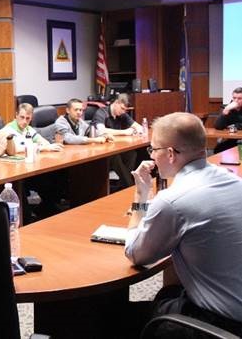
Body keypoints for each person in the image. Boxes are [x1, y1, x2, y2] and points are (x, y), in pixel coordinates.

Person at [126, 112, 242, 335]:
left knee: (142, 310)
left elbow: (135, 253)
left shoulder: (173, 200)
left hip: (223, 323)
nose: (151, 157)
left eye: (153, 150)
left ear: (170, 154)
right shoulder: (233, 180)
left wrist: (139, 197)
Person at [92, 94, 143, 188]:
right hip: (101, 150)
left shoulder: (122, 114)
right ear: (116, 103)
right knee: (115, 157)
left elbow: (139, 127)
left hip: (115, 147)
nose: (123, 111)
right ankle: (130, 186)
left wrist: (136, 130)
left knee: (132, 154)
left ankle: (122, 185)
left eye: (125, 110)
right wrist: (125, 132)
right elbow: (101, 130)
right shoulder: (102, 112)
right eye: (122, 108)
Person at [213, 87, 242, 154]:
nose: (236, 100)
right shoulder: (226, 108)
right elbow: (218, 126)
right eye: (234, 98)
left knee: (240, 152)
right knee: (218, 149)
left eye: (239, 98)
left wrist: (236, 126)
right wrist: (225, 111)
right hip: (232, 139)